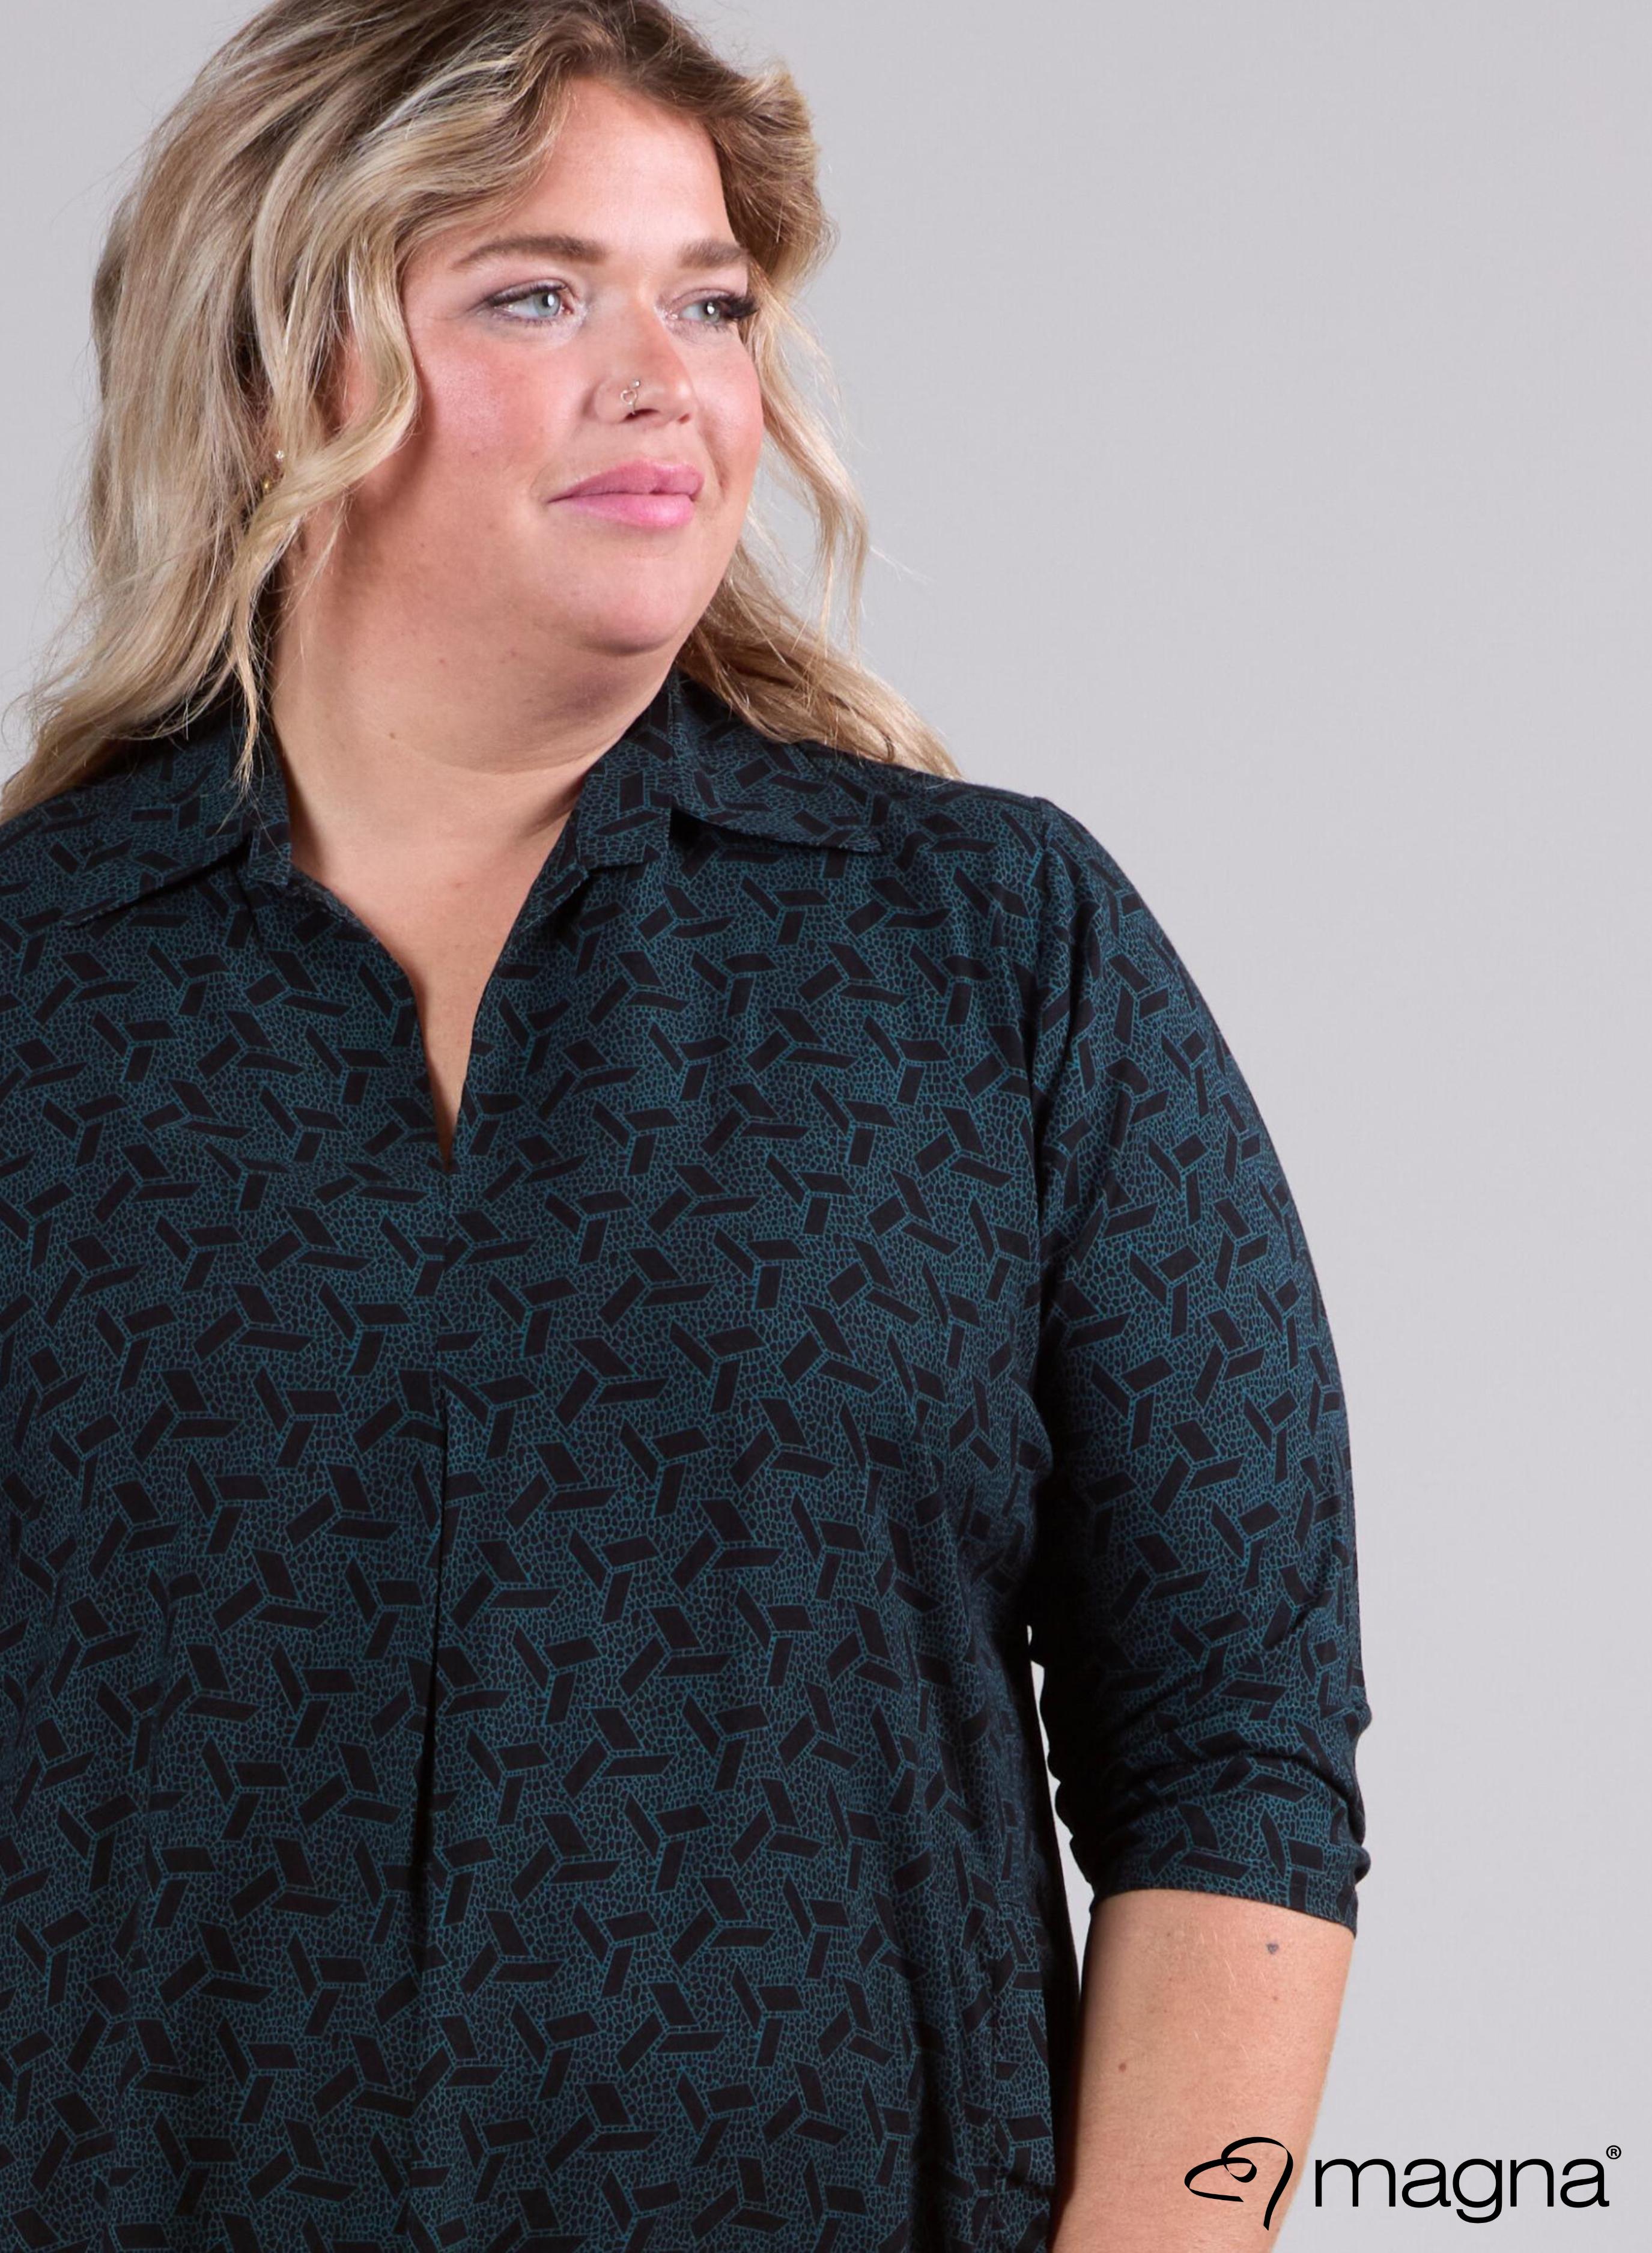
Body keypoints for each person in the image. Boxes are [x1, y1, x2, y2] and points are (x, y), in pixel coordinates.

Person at [0, 4, 1371, 2247]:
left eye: (711, 302)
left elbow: (1240, 1752)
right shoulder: (34, 989)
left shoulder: (994, 953)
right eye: (537, 295)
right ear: (270, 372)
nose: (668, 380)